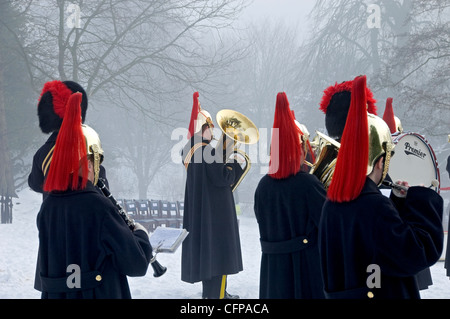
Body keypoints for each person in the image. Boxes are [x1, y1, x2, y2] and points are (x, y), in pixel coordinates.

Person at [318, 75, 443, 299]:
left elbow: (372, 248)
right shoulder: (373, 206)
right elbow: (418, 253)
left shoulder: (333, 203)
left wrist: (397, 202)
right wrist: (423, 199)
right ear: (379, 161)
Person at [34, 92, 152, 298]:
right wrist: (141, 234)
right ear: (88, 163)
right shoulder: (99, 206)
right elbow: (136, 264)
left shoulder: (49, 206)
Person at [254, 92, 326, 299]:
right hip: (304, 273)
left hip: (272, 274)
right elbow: (328, 226)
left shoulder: (262, 186)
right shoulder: (308, 184)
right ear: (299, 150)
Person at [181, 92, 243, 299]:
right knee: (220, 258)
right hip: (216, 215)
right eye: (211, 127)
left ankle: (216, 294)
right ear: (204, 128)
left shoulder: (190, 150)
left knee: (209, 260)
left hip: (202, 213)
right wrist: (234, 163)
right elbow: (223, 178)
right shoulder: (206, 150)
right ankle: (218, 296)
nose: (214, 131)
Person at [28, 80, 108, 200]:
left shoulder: (43, 153)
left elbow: (35, 184)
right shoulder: (87, 147)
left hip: (52, 215)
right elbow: (102, 189)